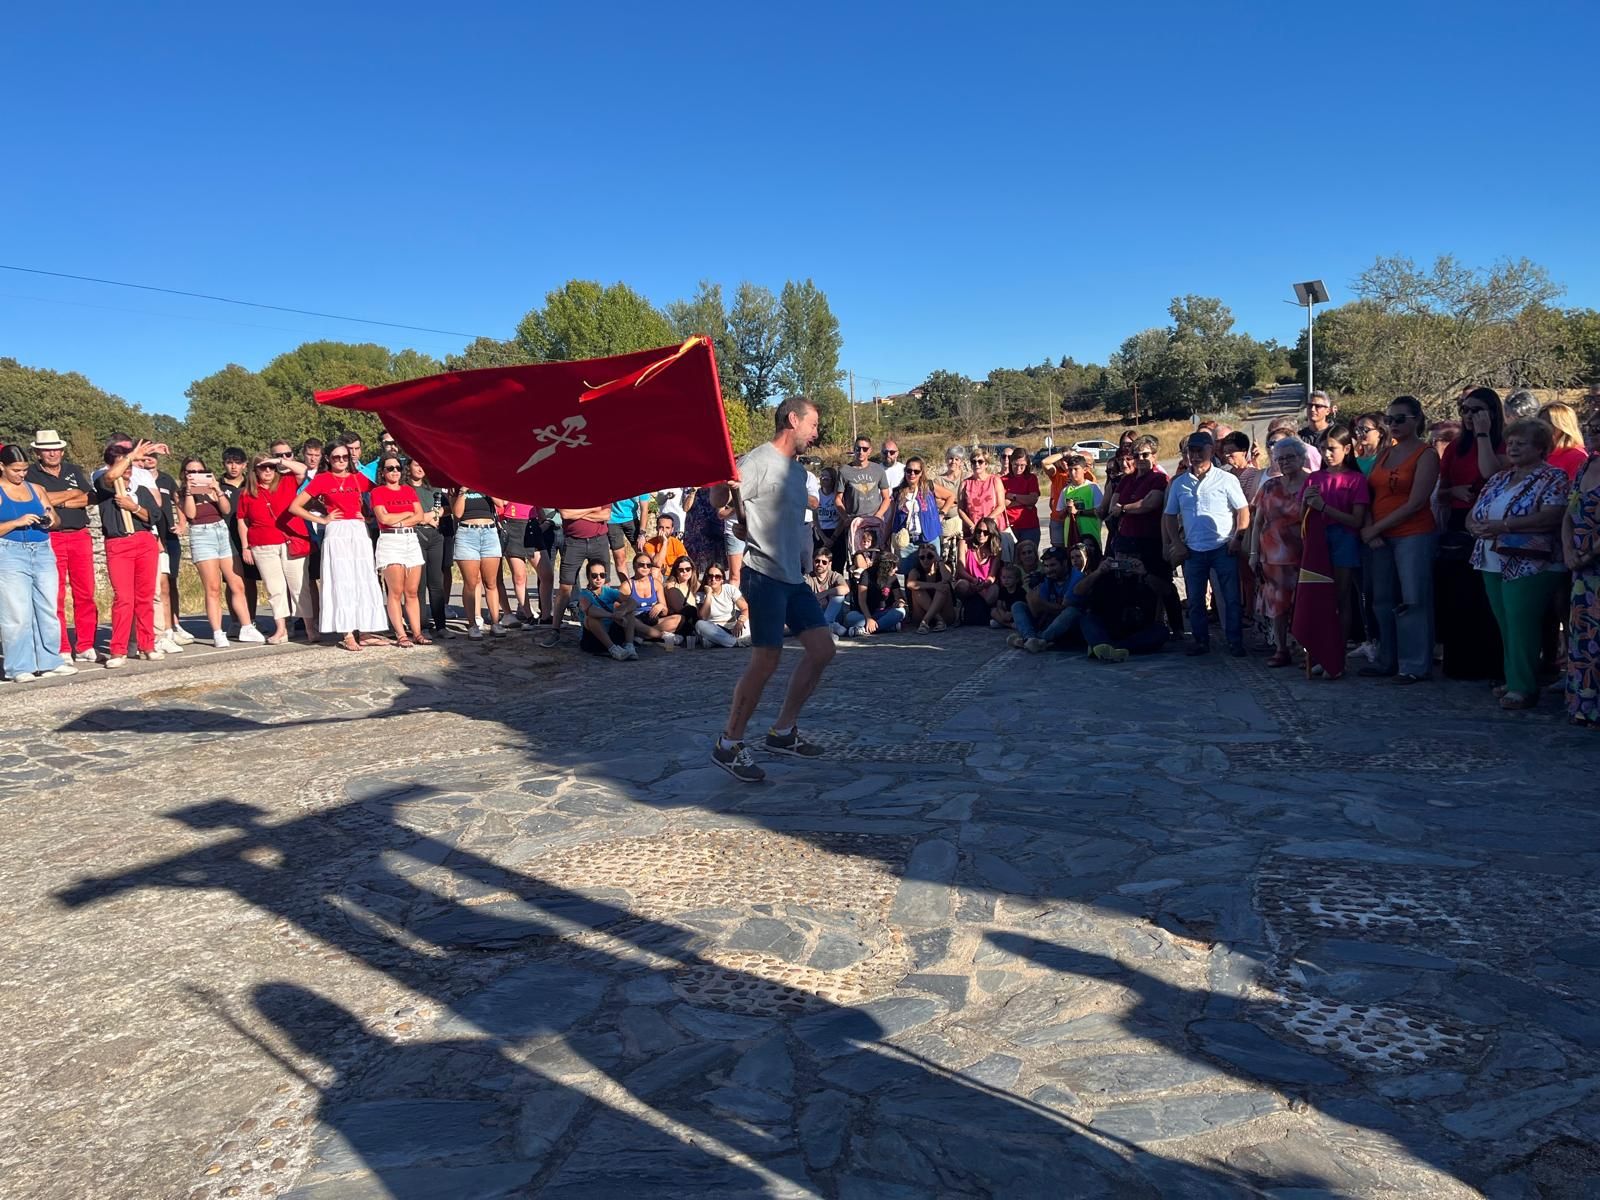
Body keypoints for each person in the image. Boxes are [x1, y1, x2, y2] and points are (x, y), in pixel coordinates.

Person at [712, 395, 836, 783]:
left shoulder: (798, 473)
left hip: (793, 578)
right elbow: (721, 504)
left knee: (822, 650)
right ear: (793, 420)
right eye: (813, 425)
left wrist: (745, 522)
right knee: (766, 661)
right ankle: (728, 744)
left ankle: (783, 732)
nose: (816, 433)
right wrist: (724, 486)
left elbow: (754, 518)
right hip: (762, 574)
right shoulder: (756, 461)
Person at [1465, 419, 1571, 710]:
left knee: (1522, 623)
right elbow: (1475, 512)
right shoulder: (1499, 478)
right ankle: (1513, 679)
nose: (1512, 448)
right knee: (1505, 623)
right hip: (1491, 557)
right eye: (1510, 443)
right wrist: (1475, 526)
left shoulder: (1554, 477)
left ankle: (1524, 687)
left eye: (1520, 443)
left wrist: (1507, 525)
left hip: (1531, 562)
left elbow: (1551, 515)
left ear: (1540, 448)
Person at [1359, 396, 1440, 684]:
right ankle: (1387, 659)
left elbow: (1417, 501)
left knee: (1413, 599)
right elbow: (1369, 494)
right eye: (1389, 419)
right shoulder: (1383, 454)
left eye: (1400, 419)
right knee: (1381, 599)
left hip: (1413, 534)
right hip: (1380, 537)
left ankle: (1414, 664)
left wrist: (1376, 527)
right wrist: (1371, 528)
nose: (1393, 425)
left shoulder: (1426, 454)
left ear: (1417, 419)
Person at [1437, 387, 1509, 682]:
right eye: (1464, 410)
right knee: (1459, 595)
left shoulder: (1505, 443)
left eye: (1476, 410)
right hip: (1458, 523)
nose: (1468, 416)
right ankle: (1461, 664)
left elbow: (1491, 471)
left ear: (1492, 412)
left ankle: (1492, 664)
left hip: (1492, 524)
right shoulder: (1456, 447)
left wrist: (1483, 435)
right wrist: (1452, 490)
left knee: (1487, 598)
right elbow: (1440, 490)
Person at [289, 444, 389, 653]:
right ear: (328, 458)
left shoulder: (357, 477)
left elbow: (380, 493)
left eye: (345, 457)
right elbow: (295, 506)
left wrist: (370, 516)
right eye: (336, 457)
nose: (342, 460)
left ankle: (366, 631)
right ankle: (347, 633)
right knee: (341, 580)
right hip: (337, 531)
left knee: (363, 579)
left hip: (358, 530)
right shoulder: (322, 479)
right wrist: (324, 519)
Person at [1163, 430, 1249, 657]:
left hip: (1223, 547)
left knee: (1231, 599)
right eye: (1191, 451)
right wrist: (1177, 543)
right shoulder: (1179, 483)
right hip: (1193, 550)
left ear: (1211, 451)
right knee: (1194, 601)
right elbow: (1170, 515)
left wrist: (1237, 539)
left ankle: (1235, 642)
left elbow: (1243, 511)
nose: (1196, 455)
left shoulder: (1227, 479)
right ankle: (1201, 641)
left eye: (1200, 450)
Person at [0, 444, 74, 680]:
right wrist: (16, 522)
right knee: (17, 612)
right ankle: (19, 666)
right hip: (10, 552)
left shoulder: (37, 489)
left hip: (42, 549)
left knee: (47, 608)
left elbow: (56, 520)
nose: (21, 475)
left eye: (23, 470)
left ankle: (49, 659)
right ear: (2, 467)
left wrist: (51, 519)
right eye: (15, 470)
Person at [26, 430, 99, 663]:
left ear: (62, 450)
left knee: (85, 592)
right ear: (38, 452)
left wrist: (58, 498)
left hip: (79, 535)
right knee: (54, 594)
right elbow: (36, 500)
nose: (53, 453)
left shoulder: (73, 470)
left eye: (56, 448)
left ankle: (85, 644)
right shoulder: (31, 474)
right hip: (51, 536)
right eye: (47, 449)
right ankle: (62, 646)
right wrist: (71, 495)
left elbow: (89, 497)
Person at [92, 438, 163, 667]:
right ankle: (118, 650)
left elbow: (154, 516)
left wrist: (134, 508)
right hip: (119, 543)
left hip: (144, 542)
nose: (127, 472)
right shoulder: (103, 485)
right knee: (123, 598)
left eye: (129, 468)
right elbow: (111, 477)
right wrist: (130, 456)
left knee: (145, 597)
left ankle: (147, 645)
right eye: (123, 466)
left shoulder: (140, 490)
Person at [1305, 424, 1372, 651]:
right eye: (1323, 448)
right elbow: (1302, 516)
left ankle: (1338, 648)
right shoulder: (1314, 478)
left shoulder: (1355, 480)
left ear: (1347, 449)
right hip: (1317, 541)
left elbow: (1356, 520)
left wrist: (1323, 507)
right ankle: (1320, 648)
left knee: (1340, 597)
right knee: (1318, 597)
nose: (1327, 454)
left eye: (1332, 449)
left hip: (1344, 539)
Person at [236, 453, 314, 645]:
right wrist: (245, 546)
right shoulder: (247, 493)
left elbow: (305, 470)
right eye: (263, 467)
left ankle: (310, 627)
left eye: (270, 467)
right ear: (255, 471)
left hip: (291, 540)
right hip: (263, 545)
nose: (268, 471)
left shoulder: (287, 481)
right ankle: (281, 628)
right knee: (275, 588)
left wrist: (279, 461)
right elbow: (242, 520)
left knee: (299, 586)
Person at [1106, 436, 1182, 635]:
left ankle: (1177, 627)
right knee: (1127, 584)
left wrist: (1124, 508)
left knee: (1160, 583)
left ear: (1154, 456)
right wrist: (1127, 508)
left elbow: (1150, 504)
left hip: (1151, 539)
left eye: (1145, 454)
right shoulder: (1127, 479)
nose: (1140, 459)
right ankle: (1137, 626)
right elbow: (1112, 506)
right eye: (1137, 455)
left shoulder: (1159, 478)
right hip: (1125, 540)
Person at [1250, 436, 1311, 667]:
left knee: (1305, 603)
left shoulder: (1312, 483)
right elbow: (1257, 522)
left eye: (1290, 457)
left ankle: (1308, 649)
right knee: (1277, 605)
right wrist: (1254, 554)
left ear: (1302, 458)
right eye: (1280, 459)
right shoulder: (1269, 486)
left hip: (1304, 555)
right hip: (1272, 558)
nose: (1284, 462)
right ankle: (1281, 648)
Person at [179, 456, 253, 648]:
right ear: (184, 474)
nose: (195, 476)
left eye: (199, 472)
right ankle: (218, 632)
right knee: (213, 587)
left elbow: (226, 509)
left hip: (221, 531)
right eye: (191, 472)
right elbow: (191, 514)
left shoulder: (214, 488)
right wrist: (189, 491)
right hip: (201, 534)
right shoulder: (180, 493)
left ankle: (246, 626)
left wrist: (217, 489)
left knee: (237, 582)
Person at [1561, 405, 1600, 728]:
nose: (1593, 431)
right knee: (1583, 634)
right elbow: (1568, 514)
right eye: (1591, 425)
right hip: (1581, 567)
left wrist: (1588, 554)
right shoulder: (1588, 464)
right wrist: (1570, 551)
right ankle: (1583, 704)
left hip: (1594, 562)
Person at [369, 454, 428, 646]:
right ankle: (401, 634)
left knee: (412, 591)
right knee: (395, 591)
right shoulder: (378, 492)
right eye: (390, 468)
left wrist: (399, 518)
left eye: (397, 468)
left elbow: (419, 516)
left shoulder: (408, 490)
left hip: (410, 538)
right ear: (383, 472)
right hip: (390, 540)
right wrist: (406, 514)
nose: (395, 471)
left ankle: (417, 632)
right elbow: (383, 519)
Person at [140, 443, 189, 654]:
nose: (149, 459)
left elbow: (178, 501)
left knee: (171, 582)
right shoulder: (137, 479)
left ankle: (174, 624)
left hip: (169, 537)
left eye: (153, 456)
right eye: (146, 456)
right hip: (151, 535)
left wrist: (182, 523)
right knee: (158, 586)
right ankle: (163, 629)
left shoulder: (166, 479)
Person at [1076, 552, 1171, 660]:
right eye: (1121, 555)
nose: (1125, 560)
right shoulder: (1106, 574)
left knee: (1161, 632)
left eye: (1130, 556)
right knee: (1086, 619)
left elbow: (1166, 591)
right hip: (1107, 627)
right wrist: (1098, 572)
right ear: (1115, 557)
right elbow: (1078, 591)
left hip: (1134, 632)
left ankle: (1105, 647)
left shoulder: (1143, 575)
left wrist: (1144, 573)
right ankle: (1102, 644)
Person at [405, 459, 454, 638]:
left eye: (422, 465)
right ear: (408, 467)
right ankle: (422, 625)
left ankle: (441, 625)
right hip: (415, 535)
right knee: (419, 583)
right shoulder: (405, 488)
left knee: (436, 582)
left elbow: (448, 508)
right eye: (416, 464)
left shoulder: (432, 487)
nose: (420, 468)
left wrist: (437, 513)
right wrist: (422, 517)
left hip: (435, 536)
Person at [451, 489, 505, 639]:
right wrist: (462, 491)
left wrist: (486, 487)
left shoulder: (486, 484)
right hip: (467, 534)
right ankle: (472, 624)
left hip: (489, 532)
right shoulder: (457, 488)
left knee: (491, 583)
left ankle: (495, 622)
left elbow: (501, 503)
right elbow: (457, 513)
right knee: (471, 582)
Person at [1007, 545, 1080, 652]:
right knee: (1017, 605)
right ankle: (1030, 638)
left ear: (1064, 563)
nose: (1049, 570)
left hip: (1068, 626)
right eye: (1046, 566)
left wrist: (1041, 603)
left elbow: (1063, 609)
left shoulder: (1076, 577)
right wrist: (1030, 592)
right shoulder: (1047, 578)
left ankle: (1037, 639)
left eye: (1053, 565)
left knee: (1071, 611)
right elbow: (1036, 613)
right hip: (1048, 621)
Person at [217, 447, 258, 624]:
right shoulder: (217, 485)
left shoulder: (250, 484)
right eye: (229, 462)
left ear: (245, 465)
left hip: (250, 536)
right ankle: (235, 621)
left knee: (250, 580)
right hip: (226, 537)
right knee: (232, 582)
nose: (233, 467)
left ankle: (252, 619)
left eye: (238, 463)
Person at [836, 436, 891, 568]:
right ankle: (859, 587)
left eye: (864, 449)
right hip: (855, 523)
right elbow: (837, 498)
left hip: (875, 523)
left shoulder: (878, 470)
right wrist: (846, 518)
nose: (861, 452)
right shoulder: (844, 471)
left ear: (870, 451)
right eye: (858, 448)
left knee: (877, 558)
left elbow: (886, 498)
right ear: (854, 450)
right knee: (857, 560)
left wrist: (878, 516)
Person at [578, 559, 639, 660]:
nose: (598, 578)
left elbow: (632, 602)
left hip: (611, 632)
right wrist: (612, 615)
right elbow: (589, 610)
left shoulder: (609, 591)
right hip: (593, 638)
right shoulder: (583, 594)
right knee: (590, 619)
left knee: (629, 612)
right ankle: (613, 650)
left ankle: (629, 645)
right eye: (594, 575)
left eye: (602, 575)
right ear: (588, 577)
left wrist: (622, 612)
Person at [890, 456, 942, 571]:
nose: (912, 474)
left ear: (921, 473)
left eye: (916, 471)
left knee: (933, 572)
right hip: (907, 541)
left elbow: (950, 496)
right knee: (910, 575)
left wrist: (942, 513)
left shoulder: (929, 487)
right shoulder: (897, 492)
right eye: (909, 471)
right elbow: (891, 516)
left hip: (929, 538)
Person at [957, 447, 1006, 559]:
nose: (977, 464)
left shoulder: (995, 480)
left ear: (986, 464)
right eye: (974, 462)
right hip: (972, 529)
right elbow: (961, 509)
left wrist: (985, 525)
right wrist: (972, 526)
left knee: (995, 560)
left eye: (980, 461)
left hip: (992, 529)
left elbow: (1001, 505)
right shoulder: (965, 484)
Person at [844, 551, 906, 637]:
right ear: (886, 568)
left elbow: (898, 597)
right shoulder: (866, 574)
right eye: (894, 567)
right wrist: (869, 618)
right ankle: (888, 627)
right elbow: (862, 601)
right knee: (850, 618)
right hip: (864, 613)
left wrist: (900, 602)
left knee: (900, 612)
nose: (896, 569)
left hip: (883, 613)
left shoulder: (893, 577)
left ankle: (864, 630)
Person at [622, 550, 677, 644]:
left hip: (652, 618)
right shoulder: (627, 586)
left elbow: (665, 612)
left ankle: (643, 635)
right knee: (629, 618)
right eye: (641, 564)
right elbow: (618, 610)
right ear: (634, 566)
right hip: (636, 620)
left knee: (678, 619)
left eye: (648, 565)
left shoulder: (656, 584)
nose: (645, 567)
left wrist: (661, 606)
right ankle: (661, 635)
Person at [1050, 455, 1104, 551]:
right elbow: (1060, 515)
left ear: (1084, 470)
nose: (1073, 473)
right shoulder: (1066, 491)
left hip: (1090, 535)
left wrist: (1078, 511)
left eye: (1076, 469)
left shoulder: (1093, 488)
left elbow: (1100, 511)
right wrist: (1067, 510)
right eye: (1070, 470)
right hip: (1072, 536)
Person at [955, 516, 1002, 625]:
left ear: (991, 534)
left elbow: (993, 575)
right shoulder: (964, 544)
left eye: (985, 532)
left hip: (985, 584)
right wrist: (973, 580)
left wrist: (985, 584)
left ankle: (990, 613)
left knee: (994, 591)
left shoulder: (996, 550)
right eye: (978, 531)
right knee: (962, 585)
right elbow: (960, 570)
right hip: (969, 581)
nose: (981, 535)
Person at [498, 500, 537, 628]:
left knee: (546, 573)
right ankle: (527, 614)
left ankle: (546, 614)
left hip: (531, 521)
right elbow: (499, 501)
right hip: (510, 521)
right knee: (519, 575)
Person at [695, 563, 751, 647]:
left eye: (717, 577)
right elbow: (703, 617)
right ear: (706, 578)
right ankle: (736, 642)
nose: (713, 579)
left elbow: (745, 608)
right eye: (710, 576)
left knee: (750, 622)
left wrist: (740, 621)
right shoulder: (700, 595)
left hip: (733, 626)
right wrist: (709, 594)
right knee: (699, 624)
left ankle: (717, 642)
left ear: (722, 580)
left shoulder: (729, 589)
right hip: (714, 629)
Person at [904, 544, 954, 633]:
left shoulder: (942, 568)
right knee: (917, 589)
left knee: (944, 587)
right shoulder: (915, 571)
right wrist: (934, 585)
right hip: (921, 614)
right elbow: (909, 584)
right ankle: (937, 619)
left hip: (945, 613)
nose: (926, 560)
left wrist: (939, 560)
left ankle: (925, 622)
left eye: (930, 556)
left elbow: (947, 578)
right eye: (922, 557)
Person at [1001, 448, 1041, 560]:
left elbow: (1033, 500)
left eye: (1022, 465)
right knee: (1013, 561)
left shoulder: (1031, 478)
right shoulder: (1002, 480)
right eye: (1015, 465)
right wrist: (1025, 501)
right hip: (1010, 527)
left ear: (1027, 464)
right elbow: (1003, 503)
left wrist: (1013, 496)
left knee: (1030, 560)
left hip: (1029, 526)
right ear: (1011, 463)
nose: (1019, 468)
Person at [805, 548, 851, 634]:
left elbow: (846, 589)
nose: (820, 564)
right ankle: (832, 627)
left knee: (838, 595)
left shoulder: (835, 576)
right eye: (817, 561)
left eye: (824, 562)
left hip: (835, 615)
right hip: (817, 614)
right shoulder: (808, 578)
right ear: (813, 561)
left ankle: (826, 625)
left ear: (829, 564)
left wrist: (824, 593)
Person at [1540, 402, 1590, 480]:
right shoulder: (1537, 453)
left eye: (1549, 423)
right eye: (1540, 423)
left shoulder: (1577, 456)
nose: (1542, 428)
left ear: (1563, 426)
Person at [608, 493, 648, 582]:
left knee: (643, 554)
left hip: (632, 519)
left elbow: (644, 509)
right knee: (620, 558)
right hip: (612, 521)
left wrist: (642, 534)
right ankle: (627, 589)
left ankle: (647, 585)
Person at [663, 556, 701, 643]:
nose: (685, 572)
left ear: (692, 570)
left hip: (694, 623)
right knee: (690, 610)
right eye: (681, 570)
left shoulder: (696, 585)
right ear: (676, 571)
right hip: (678, 624)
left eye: (688, 569)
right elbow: (679, 608)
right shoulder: (671, 586)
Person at [989, 562, 1028, 631]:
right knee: (993, 611)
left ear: (1017, 579)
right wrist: (1003, 614)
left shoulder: (1020, 591)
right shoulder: (1002, 590)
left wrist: (1011, 614)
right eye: (1004, 577)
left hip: (1015, 614)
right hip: (1005, 614)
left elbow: (1023, 607)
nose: (1006, 580)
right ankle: (1009, 625)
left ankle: (1002, 623)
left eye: (1009, 578)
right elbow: (999, 605)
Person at [814, 467, 842, 555]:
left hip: (835, 532)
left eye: (826, 478)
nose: (823, 479)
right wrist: (823, 537)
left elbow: (842, 518)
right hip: (821, 533)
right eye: (821, 477)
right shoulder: (817, 494)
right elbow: (815, 518)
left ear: (832, 480)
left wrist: (833, 538)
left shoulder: (837, 496)